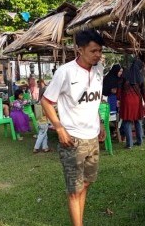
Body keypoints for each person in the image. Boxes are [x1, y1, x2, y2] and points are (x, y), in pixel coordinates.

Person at [41, 29, 106, 226]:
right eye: (93, 51)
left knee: (85, 184)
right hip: (73, 140)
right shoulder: (65, 72)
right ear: (80, 49)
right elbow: (46, 101)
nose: (98, 55)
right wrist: (59, 128)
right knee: (74, 190)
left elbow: (93, 101)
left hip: (92, 137)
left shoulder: (99, 70)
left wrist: (100, 123)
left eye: (100, 51)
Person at [118, 59, 145, 149]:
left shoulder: (125, 74)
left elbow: (119, 88)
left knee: (127, 122)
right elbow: (143, 91)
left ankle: (129, 144)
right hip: (137, 102)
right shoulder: (141, 76)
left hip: (127, 101)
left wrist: (118, 98)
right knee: (138, 121)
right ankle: (139, 141)